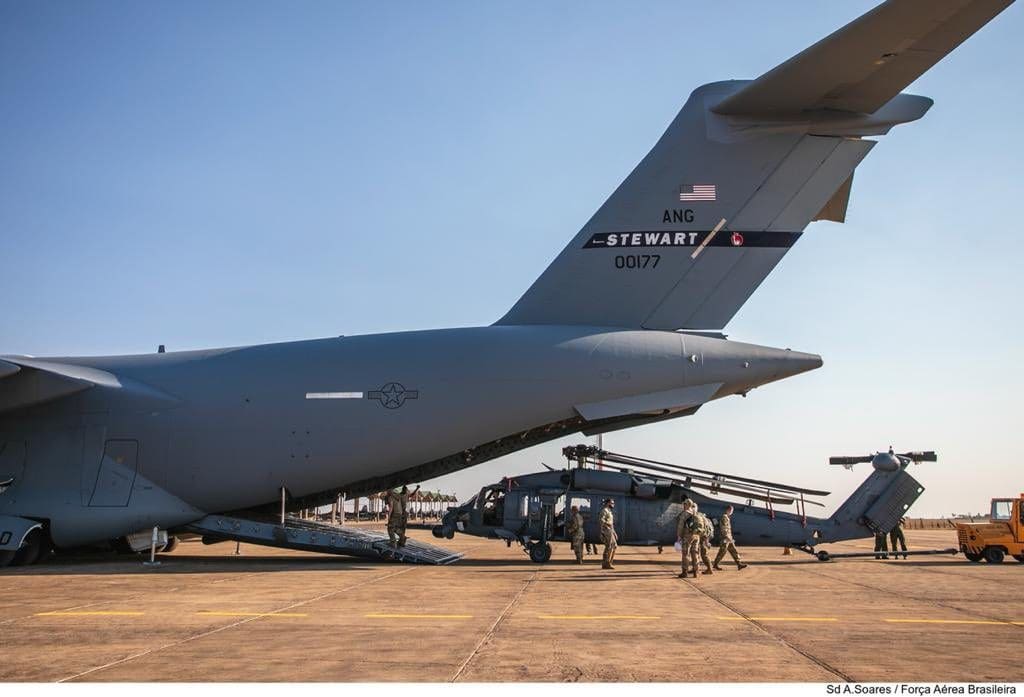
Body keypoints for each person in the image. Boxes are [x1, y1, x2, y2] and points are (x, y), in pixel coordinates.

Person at [713, 505, 748, 571]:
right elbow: (724, 528)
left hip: (729, 538)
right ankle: (715, 564)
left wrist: (730, 538)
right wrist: (727, 537)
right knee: (722, 552)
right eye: (731, 511)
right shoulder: (724, 517)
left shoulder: (727, 517)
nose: (732, 512)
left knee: (733, 550)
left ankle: (739, 564)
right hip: (725, 538)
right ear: (728, 510)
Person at [676, 500, 701, 578]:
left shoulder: (685, 513)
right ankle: (696, 572)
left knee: (685, 554)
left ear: (687, 505)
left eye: (685, 504)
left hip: (688, 536)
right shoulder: (696, 513)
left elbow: (680, 525)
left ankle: (685, 572)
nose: (684, 505)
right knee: (695, 553)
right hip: (696, 536)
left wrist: (679, 536)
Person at [599, 498, 617, 570]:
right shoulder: (604, 511)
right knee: (609, 546)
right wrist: (607, 526)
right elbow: (601, 520)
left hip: (610, 530)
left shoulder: (609, 511)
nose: (613, 504)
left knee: (614, 546)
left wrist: (614, 532)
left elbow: (611, 523)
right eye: (612, 503)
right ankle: (606, 563)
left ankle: (608, 562)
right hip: (606, 530)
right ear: (607, 503)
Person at [695, 510, 715, 575]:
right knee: (697, 553)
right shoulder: (707, 520)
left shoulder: (702, 521)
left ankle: (710, 569)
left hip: (703, 538)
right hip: (704, 538)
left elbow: (703, 531)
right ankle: (695, 568)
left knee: (704, 554)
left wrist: (706, 541)